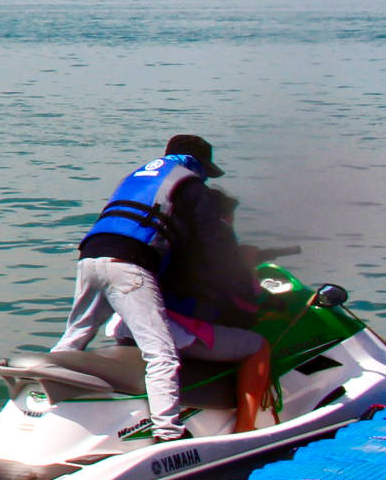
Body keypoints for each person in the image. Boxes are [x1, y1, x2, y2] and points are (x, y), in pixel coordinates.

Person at [50, 134, 270, 442]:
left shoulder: (140, 175)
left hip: (90, 256)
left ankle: (46, 410)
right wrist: (240, 266)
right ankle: (168, 433)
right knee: (161, 353)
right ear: (200, 165)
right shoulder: (192, 186)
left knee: (74, 339)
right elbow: (214, 243)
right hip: (128, 263)